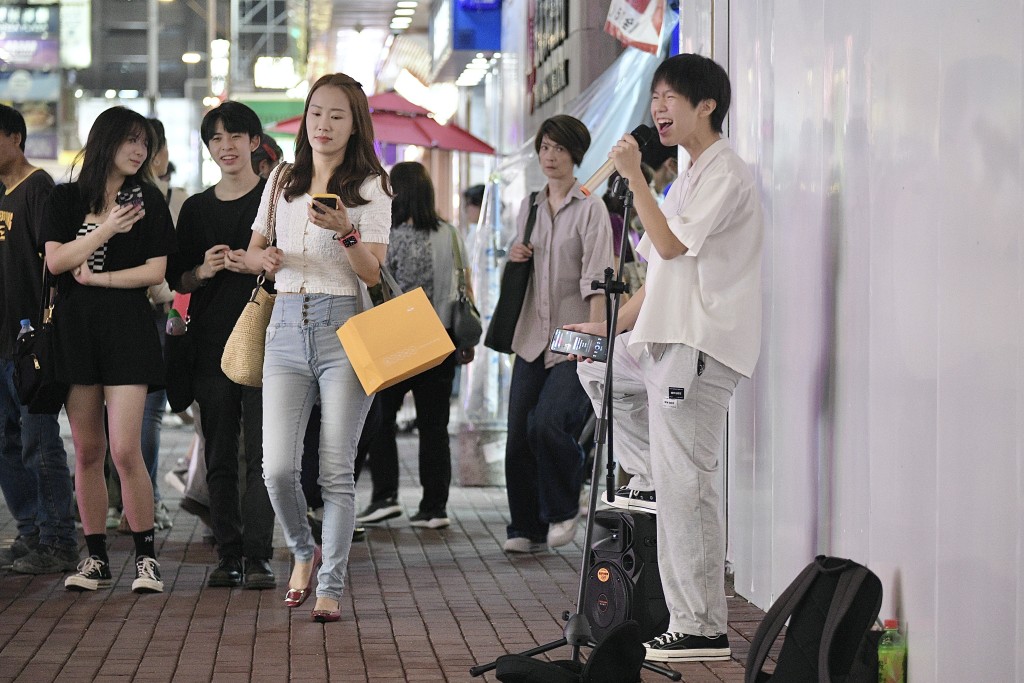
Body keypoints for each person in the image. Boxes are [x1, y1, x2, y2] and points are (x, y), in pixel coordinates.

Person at [572, 54, 763, 663]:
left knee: (691, 492)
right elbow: (656, 282)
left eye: (670, 97)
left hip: (698, 348)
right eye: (654, 97)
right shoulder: (687, 177)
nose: (658, 108)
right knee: (593, 363)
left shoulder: (726, 172)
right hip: (662, 340)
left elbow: (671, 244)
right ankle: (647, 471)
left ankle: (701, 626)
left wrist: (635, 177)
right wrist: (604, 326)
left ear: (706, 104)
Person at [244, 72, 391, 623]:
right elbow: (255, 249)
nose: (323, 125)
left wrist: (346, 230)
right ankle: (304, 552)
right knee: (277, 468)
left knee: (335, 471)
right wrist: (264, 260)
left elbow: (373, 271)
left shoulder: (373, 185)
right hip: (284, 322)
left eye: (336, 115)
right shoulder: (282, 178)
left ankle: (330, 585)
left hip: (344, 327)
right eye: (315, 113)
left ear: (355, 124)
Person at [41, 105, 177, 593]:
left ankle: (146, 558)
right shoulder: (65, 197)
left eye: (145, 143)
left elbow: (157, 271)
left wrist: (101, 276)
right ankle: (95, 558)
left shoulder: (150, 202)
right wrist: (105, 229)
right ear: (106, 142)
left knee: (125, 448)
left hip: (128, 328)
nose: (140, 150)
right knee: (88, 450)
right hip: (75, 331)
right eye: (131, 140)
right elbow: (56, 262)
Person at [166, 101, 277, 590]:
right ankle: (228, 555)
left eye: (235, 136)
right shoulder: (195, 208)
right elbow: (178, 278)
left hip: (269, 340)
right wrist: (205, 270)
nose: (226, 146)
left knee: (263, 455)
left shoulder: (276, 203)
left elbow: (289, 263)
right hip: (211, 343)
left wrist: (257, 263)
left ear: (255, 142)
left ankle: (259, 557)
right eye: (216, 139)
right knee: (220, 455)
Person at [502, 115, 613, 554]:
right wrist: (515, 254)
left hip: (575, 334)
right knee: (517, 436)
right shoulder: (529, 205)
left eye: (559, 149)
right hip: (532, 332)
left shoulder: (591, 208)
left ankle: (565, 506)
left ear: (575, 156)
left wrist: (596, 339)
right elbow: (521, 268)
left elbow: (599, 279)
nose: (550, 156)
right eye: (545, 147)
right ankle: (525, 528)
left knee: (549, 423)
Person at [357, 161, 464, 530]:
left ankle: (385, 495)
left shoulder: (390, 236)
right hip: (442, 338)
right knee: (435, 426)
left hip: (396, 339)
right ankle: (435, 507)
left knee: (380, 419)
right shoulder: (449, 233)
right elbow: (460, 286)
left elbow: (379, 286)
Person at [0, 104, 78, 575]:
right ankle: (29, 532)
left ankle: (59, 540)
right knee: (5, 443)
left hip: (29, 343)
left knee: (39, 440)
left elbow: (53, 267)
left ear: (15, 138)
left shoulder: (39, 190)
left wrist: (44, 332)